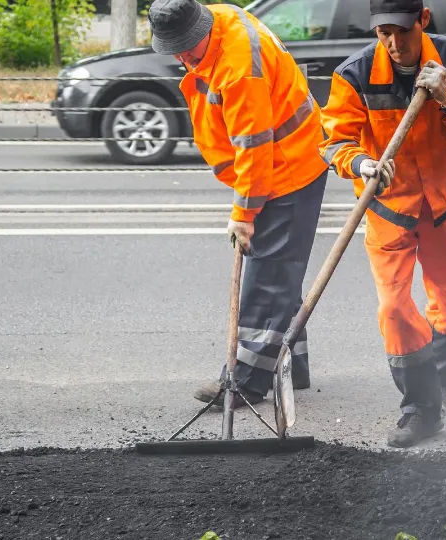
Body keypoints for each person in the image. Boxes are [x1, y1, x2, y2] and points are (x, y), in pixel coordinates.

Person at [318, 0, 446, 447]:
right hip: (389, 209)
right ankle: (421, 409)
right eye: (383, 33)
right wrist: (361, 164)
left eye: (402, 31)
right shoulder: (354, 73)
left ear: (422, 19)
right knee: (394, 311)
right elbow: (333, 143)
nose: (394, 43)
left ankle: (438, 367)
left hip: (444, 206)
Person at [148, 0, 329, 408]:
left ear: (204, 28)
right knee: (280, 275)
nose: (182, 58)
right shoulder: (220, 16)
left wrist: (243, 216)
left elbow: (254, 146)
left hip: (287, 169)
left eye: (188, 48)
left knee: (266, 279)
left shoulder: (238, 67)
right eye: (174, 49)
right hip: (281, 163)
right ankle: (288, 365)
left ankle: (245, 382)